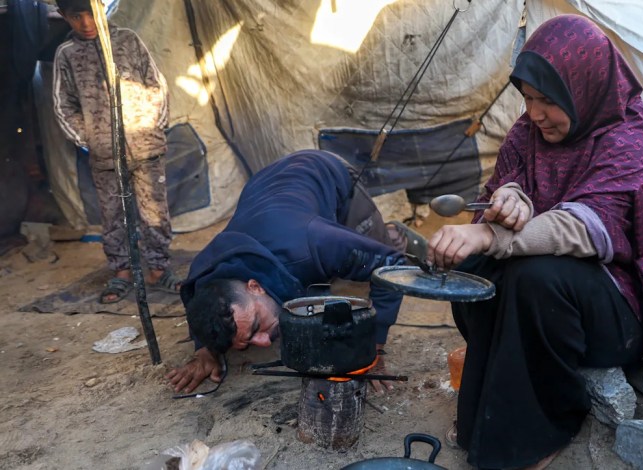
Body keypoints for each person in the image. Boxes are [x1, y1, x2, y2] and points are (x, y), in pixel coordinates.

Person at [427, 15, 643, 470]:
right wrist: (510, 197)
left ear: (585, 87)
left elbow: (582, 227)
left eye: (548, 100)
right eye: (528, 98)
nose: (534, 113)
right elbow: (505, 186)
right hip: (544, 298)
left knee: (535, 275)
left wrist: (488, 232)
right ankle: (487, 415)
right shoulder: (529, 132)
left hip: (611, 315)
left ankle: (544, 430)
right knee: (479, 271)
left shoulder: (631, 140)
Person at [166, 150, 421, 395]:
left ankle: (393, 235)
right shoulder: (201, 274)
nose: (265, 342)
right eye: (250, 341)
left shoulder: (313, 242)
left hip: (325, 172)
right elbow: (196, 304)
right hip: (264, 188)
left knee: (360, 275)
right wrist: (205, 350)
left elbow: (392, 268)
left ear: (255, 286)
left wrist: (373, 347)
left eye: (256, 326)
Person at [52, 0, 181, 304]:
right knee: (113, 215)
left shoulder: (127, 40)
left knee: (154, 212)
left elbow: (155, 83)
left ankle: (157, 269)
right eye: (76, 16)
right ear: (64, 16)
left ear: (101, 9)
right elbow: (63, 104)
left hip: (145, 145)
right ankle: (122, 272)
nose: (85, 22)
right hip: (104, 154)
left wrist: (154, 125)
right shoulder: (67, 54)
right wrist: (87, 139)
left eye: (90, 13)